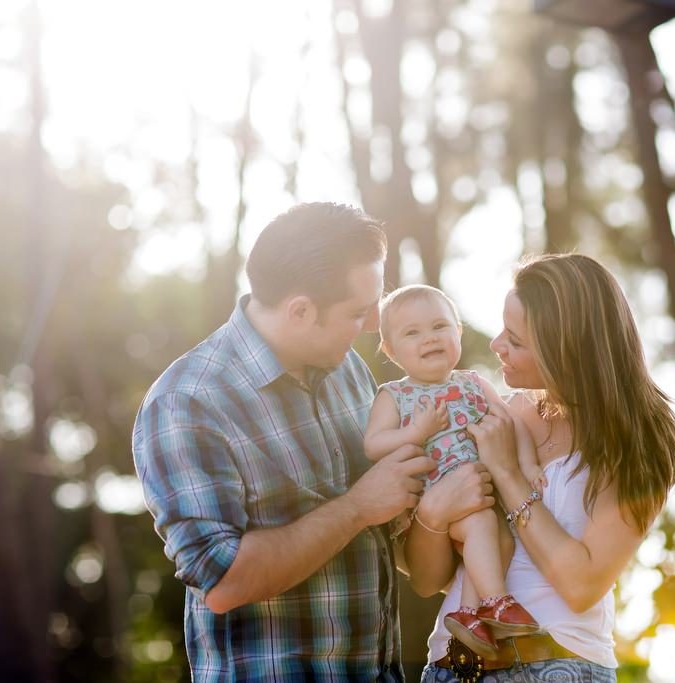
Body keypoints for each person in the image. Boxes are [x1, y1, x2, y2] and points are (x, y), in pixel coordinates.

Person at [132, 203, 458, 681]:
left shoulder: (348, 371)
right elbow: (220, 581)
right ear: (301, 310)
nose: (373, 326)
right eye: (358, 312)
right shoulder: (188, 403)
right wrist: (357, 508)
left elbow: (396, 524)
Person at [404, 254, 675, 682]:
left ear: (565, 348)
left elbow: (581, 585)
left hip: (557, 666)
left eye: (515, 340)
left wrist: (509, 476)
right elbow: (429, 581)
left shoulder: (638, 436)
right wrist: (431, 515)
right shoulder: (502, 414)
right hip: (452, 666)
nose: (497, 345)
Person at [364, 285, 544, 659]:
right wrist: (415, 433)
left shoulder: (473, 384)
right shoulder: (394, 395)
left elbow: (513, 424)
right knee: (481, 525)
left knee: (502, 540)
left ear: (458, 333)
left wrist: (528, 464)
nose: (429, 338)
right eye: (412, 333)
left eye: (439, 326)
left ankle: (468, 614)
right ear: (391, 351)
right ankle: (496, 602)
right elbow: (374, 444)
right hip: (432, 502)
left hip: (481, 495)